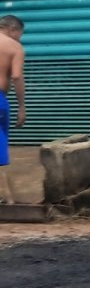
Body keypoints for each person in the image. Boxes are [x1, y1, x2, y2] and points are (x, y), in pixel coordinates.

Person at [0, 15, 26, 205]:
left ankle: (7, 197)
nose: (20, 39)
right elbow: (16, 77)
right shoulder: (14, 46)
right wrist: (22, 106)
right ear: (12, 29)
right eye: (20, 34)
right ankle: (7, 198)